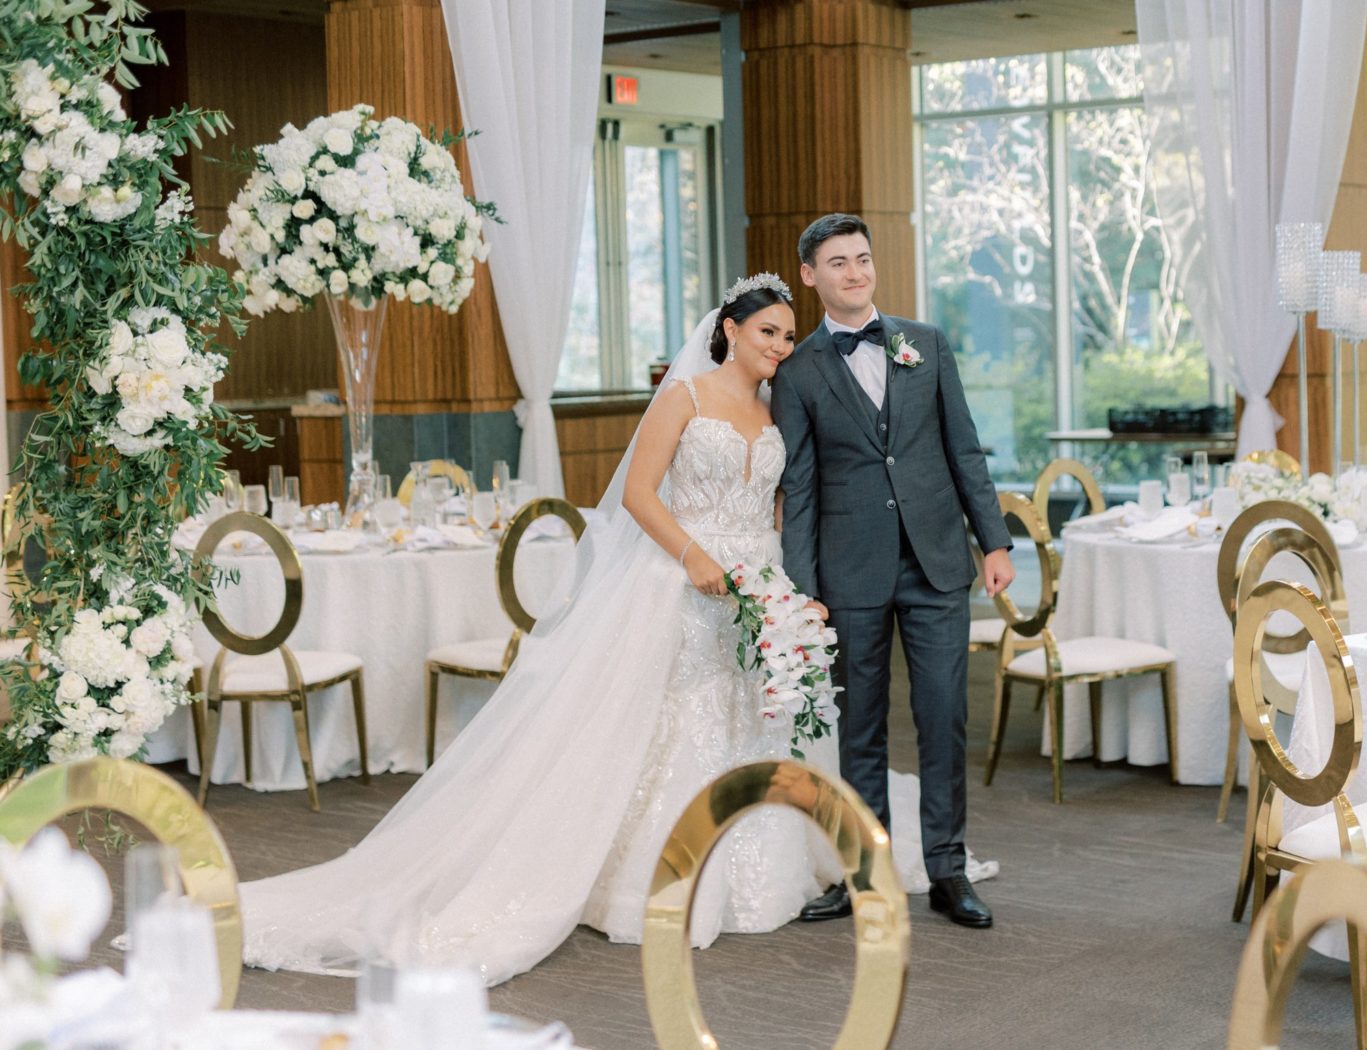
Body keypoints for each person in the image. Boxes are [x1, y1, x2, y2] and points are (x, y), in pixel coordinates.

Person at [238, 274, 935, 986]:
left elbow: (784, 506)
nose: (781, 348)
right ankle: (649, 878)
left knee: (754, 718)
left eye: (789, 337)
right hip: (681, 581)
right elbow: (636, 493)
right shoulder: (684, 397)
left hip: (756, 583)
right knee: (675, 721)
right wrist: (694, 555)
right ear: (729, 329)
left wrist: (795, 592)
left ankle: (763, 874)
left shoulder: (778, 408)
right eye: (768, 333)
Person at [772, 214, 1014, 929]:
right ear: (811, 276)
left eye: (863, 259)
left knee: (945, 718)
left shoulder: (925, 344)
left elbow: (964, 449)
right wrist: (803, 589)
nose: (855, 272)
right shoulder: (799, 370)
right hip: (850, 572)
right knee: (860, 729)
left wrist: (993, 542)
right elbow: (801, 487)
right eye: (838, 263)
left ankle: (948, 868)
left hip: (938, 561)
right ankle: (863, 874)